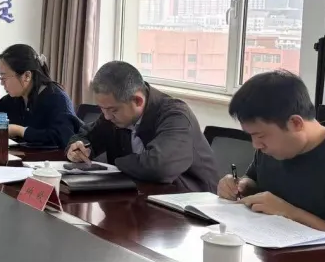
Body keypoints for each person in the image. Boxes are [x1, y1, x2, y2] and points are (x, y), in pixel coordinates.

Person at [216, 70, 325, 246]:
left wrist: (290, 213)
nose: (256, 145)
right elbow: (255, 180)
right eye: (251, 136)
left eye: (260, 136)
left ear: (295, 123)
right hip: (266, 253)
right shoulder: (271, 150)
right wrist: (242, 186)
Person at [67, 61, 217, 192]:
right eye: (102, 109)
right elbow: (86, 137)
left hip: (191, 204)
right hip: (141, 197)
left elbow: (159, 167)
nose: (106, 116)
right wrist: (78, 149)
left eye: (113, 110)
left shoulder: (176, 116)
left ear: (138, 101)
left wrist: (116, 163)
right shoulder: (113, 116)